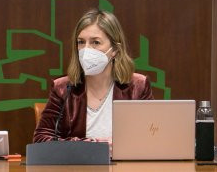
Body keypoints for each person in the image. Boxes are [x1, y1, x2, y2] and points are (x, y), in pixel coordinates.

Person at [33, 8, 153, 144]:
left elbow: (151, 137)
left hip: (124, 165)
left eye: (95, 42)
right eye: (81, 42)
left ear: (114, 50)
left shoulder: (138, 86)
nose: (86, 49)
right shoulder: (62, 88)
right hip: (78, 164)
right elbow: (41, 139)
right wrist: (91, 145)